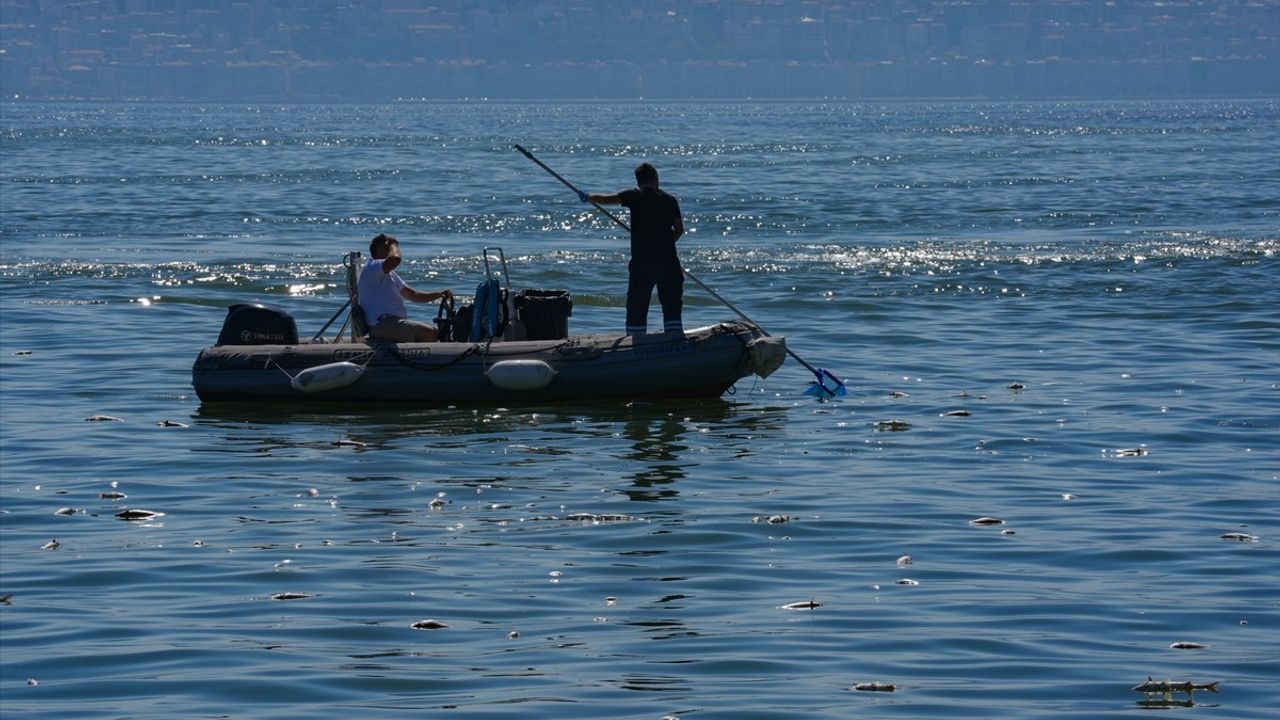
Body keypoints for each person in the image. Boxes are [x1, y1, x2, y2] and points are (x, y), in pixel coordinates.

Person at [584, 162, 685, 335]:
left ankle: (636, 342)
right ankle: (675, 340)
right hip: (668, 261)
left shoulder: (634, 196)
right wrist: (667, 244)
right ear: (656, 178)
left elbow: (606, 199)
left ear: (638, 181)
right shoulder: (670, 200)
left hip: (642, 262)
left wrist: (588, 197)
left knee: (637, 306)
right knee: (672, 305)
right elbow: (679, 229)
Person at [357, 233, 452, 342]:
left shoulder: (389, 274)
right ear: (377, 252)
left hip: (393, 322)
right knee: (428, 333)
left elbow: (414, 295)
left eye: (389, 247)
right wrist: (393, 244)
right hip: (382, 324)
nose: (389, 250)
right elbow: (395, 259)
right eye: (386, 248)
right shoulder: (372, 267)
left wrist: (439, 294)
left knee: (437, 331)